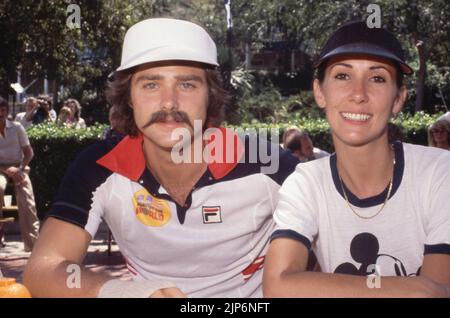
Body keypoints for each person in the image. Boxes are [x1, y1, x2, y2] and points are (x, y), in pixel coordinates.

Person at [24, 18, 298, 298]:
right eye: (150, 85)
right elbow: (43, 269)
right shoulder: (100, 167)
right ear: (129, 97)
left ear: (210, 95)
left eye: (187, 85)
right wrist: (122, 293)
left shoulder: (267, 164)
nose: (169, 103)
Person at [264, 21, 450, 297]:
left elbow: (436, 292)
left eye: (377, 78)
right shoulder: (306, 183)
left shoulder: (438, 173)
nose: (358, 94)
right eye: (342, 76)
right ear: (319, 92)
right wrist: (408, 287)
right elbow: (277, 287)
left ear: (398, 99)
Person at [0, 96, 40, 252]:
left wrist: (20, 169)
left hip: (19, 167)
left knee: (27, 199)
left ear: (7, 111)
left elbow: (29, 153)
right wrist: (6, 170)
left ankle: (33, 246)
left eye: (3, 110)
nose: (0, 113)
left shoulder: (17, 127)